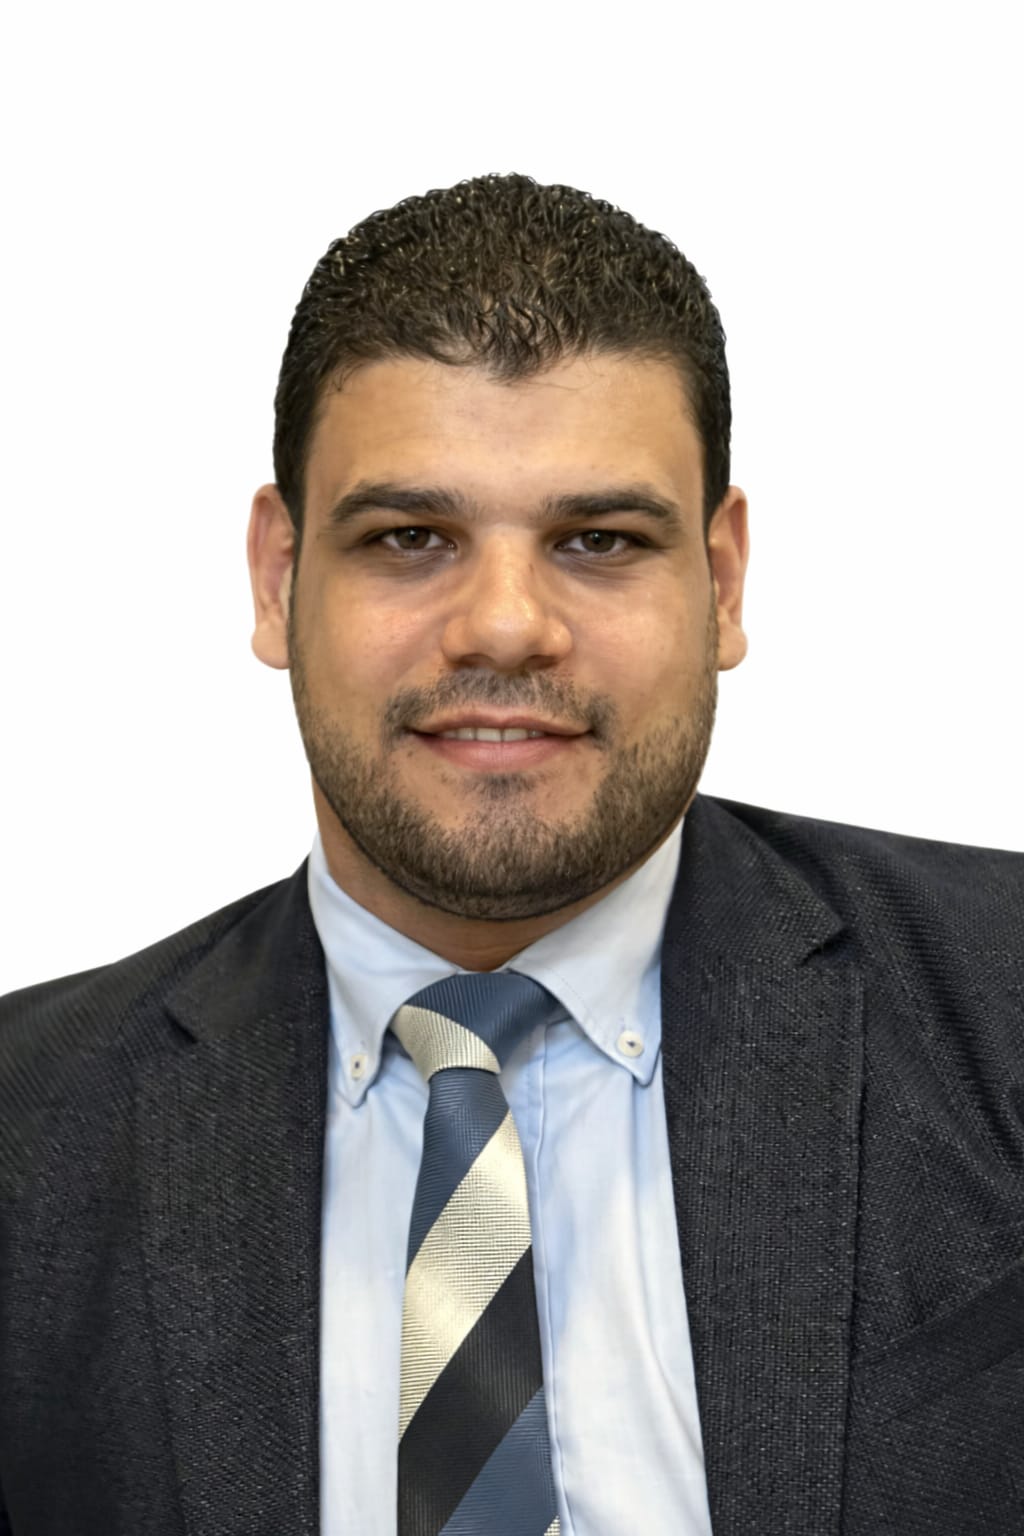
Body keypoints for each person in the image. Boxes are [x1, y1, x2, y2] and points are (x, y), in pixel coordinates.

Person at [1, 172, 1022, 1536]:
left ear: (722, 581)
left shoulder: (999, 1006)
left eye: (598, 540)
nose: (502, 625)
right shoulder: (26, 1134)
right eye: (409, 538)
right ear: (278, 576)